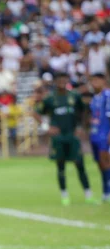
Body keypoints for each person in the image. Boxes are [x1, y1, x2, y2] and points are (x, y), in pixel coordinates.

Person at [34, 72, 95, 205]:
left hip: (72, 136)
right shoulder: (50, 98)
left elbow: (84, 111)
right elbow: (36, 112)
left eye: (64, 79)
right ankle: (64, 195)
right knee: (60, 166)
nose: (62, 82)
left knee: (80, 164)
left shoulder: (74, 96)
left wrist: (81, 127)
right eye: (60, 79)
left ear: (67, 80)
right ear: (56, 82)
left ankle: (88, 194)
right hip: (58, 137)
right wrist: (46, 127)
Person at [88, 73, 110, 202]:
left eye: (97, 80)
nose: (94, 83)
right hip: (95, 134)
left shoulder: (107, 96)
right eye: (92, 80)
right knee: (100, 163)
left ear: (103, 81)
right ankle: (105, 190)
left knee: (105, 161)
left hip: (104, 134)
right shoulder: (95, 98)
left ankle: (107, 191)